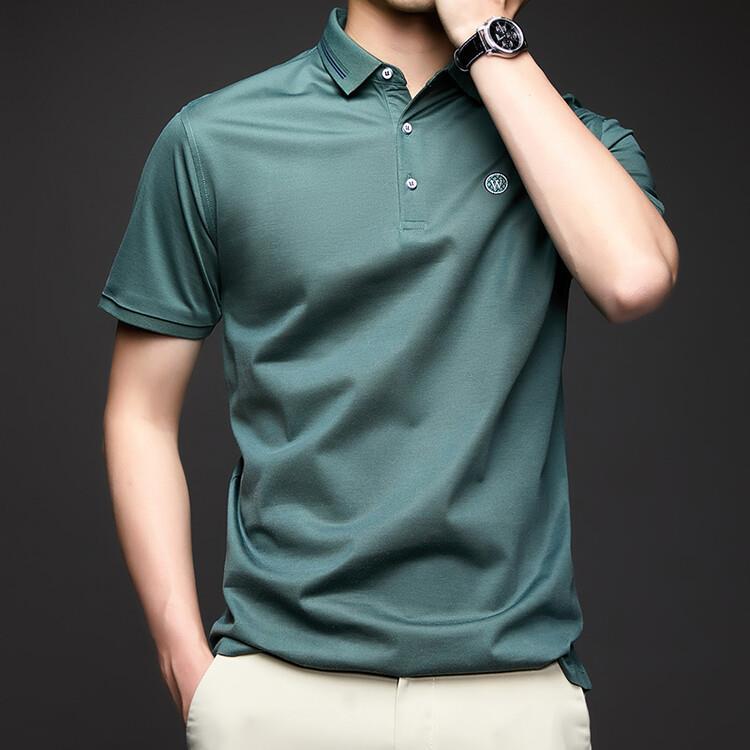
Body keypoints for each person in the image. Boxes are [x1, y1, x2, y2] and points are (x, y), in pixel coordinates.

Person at [97, 1, 678, 748]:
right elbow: (139, 414)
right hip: (279, 691)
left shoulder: (576, 143)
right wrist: (186, 663)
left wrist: (487, 39)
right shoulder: (213, 138)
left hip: (512, 694)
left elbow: (633, 278)